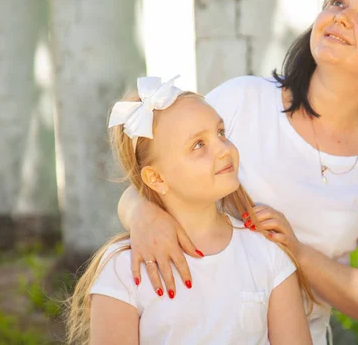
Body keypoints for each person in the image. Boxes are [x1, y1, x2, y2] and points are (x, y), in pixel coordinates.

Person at [118, 0, 358, 344]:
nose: (342, 17)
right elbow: (149, 181)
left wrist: (296, 251)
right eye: (337, 2)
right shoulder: (242, 100)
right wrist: (142, 215)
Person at [65, 76, 313, 345]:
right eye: (198, 145)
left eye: (221, 133)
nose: (223, 149)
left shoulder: (267, 252)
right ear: (156, 179)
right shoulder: (124, 269)